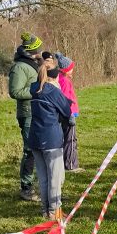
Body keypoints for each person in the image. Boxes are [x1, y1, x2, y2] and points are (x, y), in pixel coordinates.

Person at [28, 60, 73, 219]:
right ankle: (54, 213)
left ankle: (46, 210)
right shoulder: (54, 92)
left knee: (43, 178)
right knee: (55, 178)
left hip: (34, 138)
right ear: (55, 76)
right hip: (51, 140)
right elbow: (67, 112)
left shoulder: (34, 89)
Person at [9, 31, 44, 202]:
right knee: (29, 150)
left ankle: (39, 184)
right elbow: (14, 91)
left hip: (38, 112)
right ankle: (26, 187)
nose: (40, 51)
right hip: (27, 114)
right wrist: (36, 91)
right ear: (31, 51)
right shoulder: (19, 67)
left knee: (39, 149)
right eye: (38, 49)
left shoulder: (34, 63)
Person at [53, 53, 81, 171]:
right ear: (66, 70)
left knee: (68, 138)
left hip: (67, 113)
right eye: (71, 68)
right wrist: (69, 114)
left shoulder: (62, 79)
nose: (73, 70)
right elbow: (64, 99)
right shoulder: (64, 81)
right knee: (70, 139)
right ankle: (70, 165)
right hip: (68, 114)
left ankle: (67, 163)